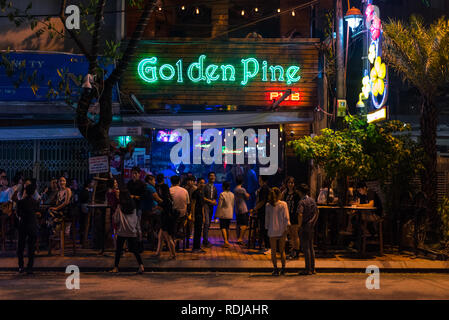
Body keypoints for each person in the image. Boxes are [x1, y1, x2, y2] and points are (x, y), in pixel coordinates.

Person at [111, 190, 144, 274]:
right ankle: (141, 265)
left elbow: (116, 219)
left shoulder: (120, 206)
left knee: (118, 250)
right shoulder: (133, 206)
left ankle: (116, 267)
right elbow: (136, 219)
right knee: (135, 250)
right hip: (132, 231)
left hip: (122, 231)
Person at [265, 187, 290, 276]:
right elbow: (286, 217)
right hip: (282, 229)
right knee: (282, 250)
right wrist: (287, 227)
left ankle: (275, 269)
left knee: (273, 251)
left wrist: (267, 228)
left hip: (272, 230)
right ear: (279, 194)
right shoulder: (283, 204)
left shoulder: (268, 205)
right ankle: (283, 268)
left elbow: (267, 219)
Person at [16, 184, 40, 274]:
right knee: (31, 247)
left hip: (23, 225)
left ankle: (21, 266)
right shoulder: (35, 202)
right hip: (32, 225)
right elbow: (37, 211)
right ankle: (30, 267)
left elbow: (18, 213)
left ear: (25, 191)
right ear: (33, 192)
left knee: (21, 247)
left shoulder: (20, 202)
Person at [298, 183, 319, 275]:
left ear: (300, 192)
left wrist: (299, 226)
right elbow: (317, 212)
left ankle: (308, 269)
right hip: (311, 226)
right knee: (311, 247)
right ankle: (313, 268)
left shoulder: (302, 202)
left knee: (306, 248)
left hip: (304, 225)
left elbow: (300, 214)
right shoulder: (312, 200)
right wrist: (313, 222)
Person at [154, 174, 176, 259]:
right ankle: (158, 252)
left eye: (159, 190)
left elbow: (165, 207)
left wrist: (158, 205)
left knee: (168, 237)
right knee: (161, 236)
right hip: (167, 218)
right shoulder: (168, 198)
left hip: (166, 219)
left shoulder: (166, 200)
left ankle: (173, 254)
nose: (158, 191)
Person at [282, 177, 302, 260]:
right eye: (289, 183)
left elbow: (299, 206)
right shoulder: (285, 193)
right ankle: (292, 251)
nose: (290, 184)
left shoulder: (296, 194)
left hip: (294, 216)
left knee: (295, 234)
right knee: (290, 235)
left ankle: (296, 252)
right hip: (287, 216)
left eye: (292, 183)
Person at [251, 175, 271, 255]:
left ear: (262, 180)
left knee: (265, 229)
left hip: (264, 212)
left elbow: (262, 201)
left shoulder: (264, 188)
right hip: (263, 212)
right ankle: (266, 246)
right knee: (263, 229)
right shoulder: (262, 188)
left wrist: (255, 208)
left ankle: (268, 247)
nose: (258, 180)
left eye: (259, 179)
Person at [142, 175, 161, 250]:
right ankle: (157, 239)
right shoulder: (150, 187)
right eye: (154, 180)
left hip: (147, 210)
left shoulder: (145, 186)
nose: (155, 182)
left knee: (151, 226)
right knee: (162, 221)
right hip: (152, 210)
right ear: (149, 180)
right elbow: (157, 199)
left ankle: (153, 238)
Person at [169, 175, 189, 245]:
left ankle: (171, 237)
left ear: (171, 182)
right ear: (179, 182)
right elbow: (187, 203)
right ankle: (179, 231)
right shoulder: (185, 191)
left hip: (172, 216)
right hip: (182, 216)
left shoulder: (169, 190)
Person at [215, 181, 234, 248]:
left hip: (223, 213)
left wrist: (216, 215)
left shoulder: (222, 194)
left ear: (223, 187)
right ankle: (227, 241)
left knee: (223, 227)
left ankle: (225, 241)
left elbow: (219, 205)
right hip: (230, 213)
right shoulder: (232, 194)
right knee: (228, 227)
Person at [234, 176, 250, 245]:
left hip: (237, 208)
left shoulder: (235, 189)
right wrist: (248, 195)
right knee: (245, 224)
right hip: (243, 208)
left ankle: (238, 238)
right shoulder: (242, 189)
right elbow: (247, 197)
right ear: (242, 182)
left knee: (238, 224)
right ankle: (240, 238)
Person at [191, 177, 206, 253]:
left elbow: (202, 205)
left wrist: (203, 216)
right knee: (197, 231)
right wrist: (193, 216)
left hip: (200, 214)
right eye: (201, 183)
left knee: (199, 231)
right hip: (196, 214)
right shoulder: (195, 192)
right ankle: (195, 248)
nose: (202, 184)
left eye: (203, 183)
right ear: (197, 183)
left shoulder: (201, 192)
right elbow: (193, 205)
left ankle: (198, 247)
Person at [203, 172, 217, 247]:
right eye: (211, 176)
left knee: (208, 224)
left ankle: (206, 240)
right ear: (208, 177)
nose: (212, 177)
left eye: (213, 176)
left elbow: (215, 198)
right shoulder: (205, 187)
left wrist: (214, 201)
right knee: (206, 223)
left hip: (211, 207)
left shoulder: (214, 188)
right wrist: (211, 201)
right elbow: (203, 197)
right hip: (205, 206)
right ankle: (205, 241)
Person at [184, 176, 197, 246]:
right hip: (187, 206)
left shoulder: (195, 189)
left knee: (192, 221)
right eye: (188, 180)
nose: (189, 182)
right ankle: (187, 234)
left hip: (193, 206)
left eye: (191, 181)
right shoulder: (185, 188)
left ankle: (191, 233)